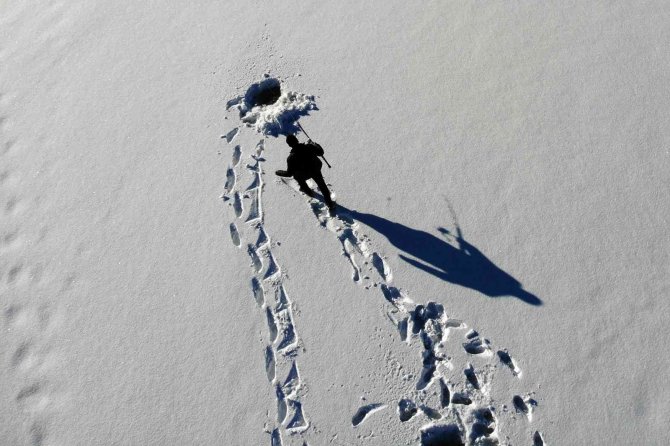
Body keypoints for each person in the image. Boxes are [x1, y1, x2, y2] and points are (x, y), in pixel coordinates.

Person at [276, 134, 336, 213]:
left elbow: (289, 173)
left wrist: (279, 172)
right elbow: (321, 152)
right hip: (316, 169)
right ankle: (330, 204)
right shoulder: (309, 146)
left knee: (297, 176)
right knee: (322, 185)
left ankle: (307, 190)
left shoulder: (291, 158)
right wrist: (315, 144)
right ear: (297, 140)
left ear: (289, 145)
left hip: (305, 174)